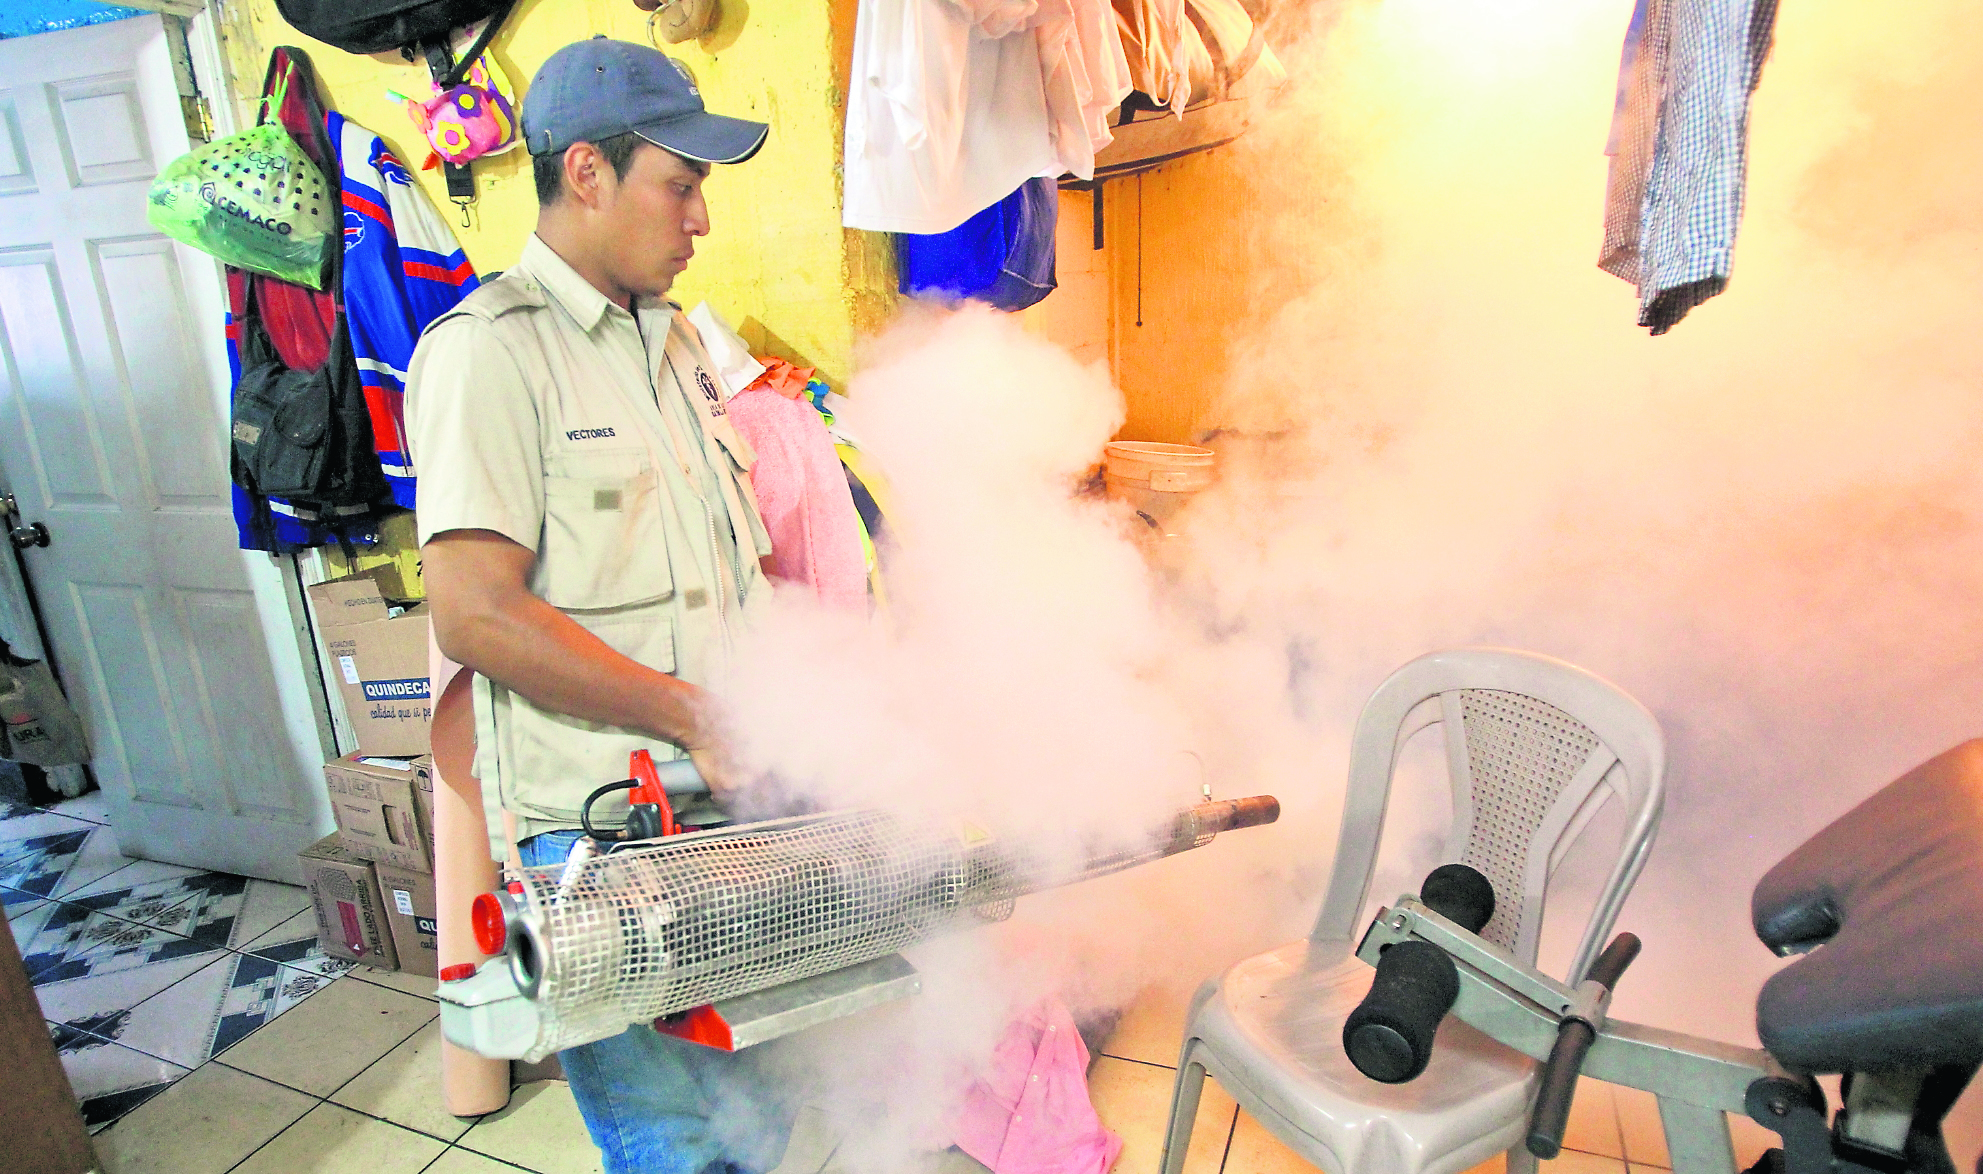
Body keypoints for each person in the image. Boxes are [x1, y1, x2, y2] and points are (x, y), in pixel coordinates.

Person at [405, 37, 790, 1174]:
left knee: (755, 1110)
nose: (701, 218)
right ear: (586, 172)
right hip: (604, 839)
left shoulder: (676, 350)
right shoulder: (490, 356)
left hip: (723, 811)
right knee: (677, 1141)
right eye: (681, 184)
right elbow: (474, 614)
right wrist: (693, 715)